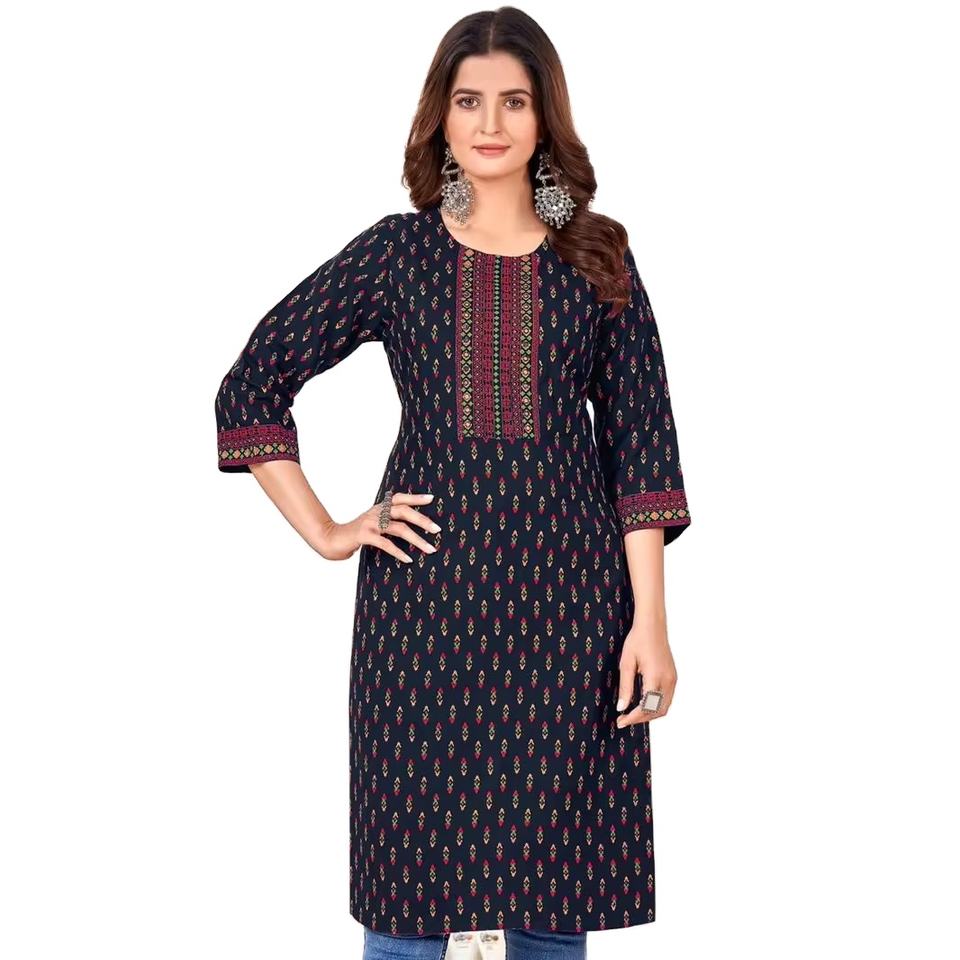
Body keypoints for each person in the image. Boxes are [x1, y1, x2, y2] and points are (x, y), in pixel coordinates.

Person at [213, 7, 692, 959]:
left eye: (514, 101)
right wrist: (329, 531)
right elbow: (251, 386)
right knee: (410, 893)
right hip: (424, 613)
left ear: (545, 119)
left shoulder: (597, 255)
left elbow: (642, 447)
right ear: (440, 115)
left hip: (571, 613)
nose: (490, 123)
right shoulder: (399, 253)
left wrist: (651, 625)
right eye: (469, 101)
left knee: (555, 891)